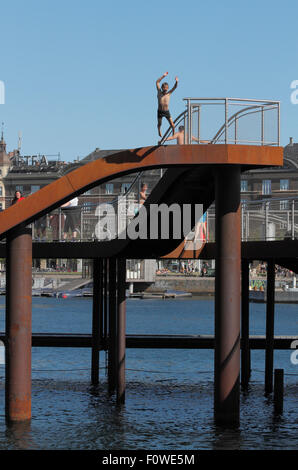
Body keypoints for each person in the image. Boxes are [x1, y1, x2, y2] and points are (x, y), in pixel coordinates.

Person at [156, 72, 178, 138]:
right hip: (160, 111)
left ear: (168, 88)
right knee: (160, 124)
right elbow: (157, 82)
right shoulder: (159, 92)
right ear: (162, 88)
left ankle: (173, 132)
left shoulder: (169, 93)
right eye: (164, 88)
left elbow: (175, 87)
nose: (165, 89)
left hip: (166, 111)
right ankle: (159, 130)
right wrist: (163, 76)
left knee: (173, 125)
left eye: (166, 88)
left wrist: (176, 81)